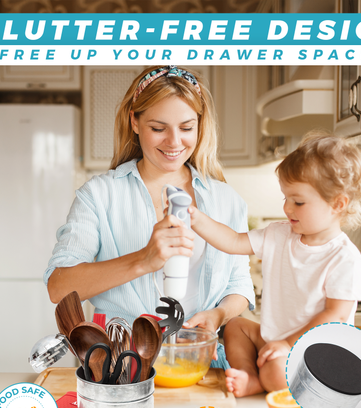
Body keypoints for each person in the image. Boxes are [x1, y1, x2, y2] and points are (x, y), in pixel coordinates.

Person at [44, 65, 255, 367]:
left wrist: (218, 315)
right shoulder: (100, 195)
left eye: (186, 128)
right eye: (158, 128)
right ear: (135, 121)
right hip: (121, 367)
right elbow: (58, 287)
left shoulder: (226, 200)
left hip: (203, 364)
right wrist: (144, 259)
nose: (174, 142)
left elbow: (240, 285)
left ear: (200, 125)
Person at [189, 132, 361, 396]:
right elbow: (232, 241)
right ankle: (249, 376)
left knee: (276, 370)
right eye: (285, 198)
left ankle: (265, 379)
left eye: (298, 201)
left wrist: (288, 344)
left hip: (320, 351)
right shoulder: (279, 235)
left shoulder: (345, 259)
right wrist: (195, 218)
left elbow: (335, 317)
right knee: (236, 326)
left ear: (338, 203)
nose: (287, 208)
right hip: (279, 340)